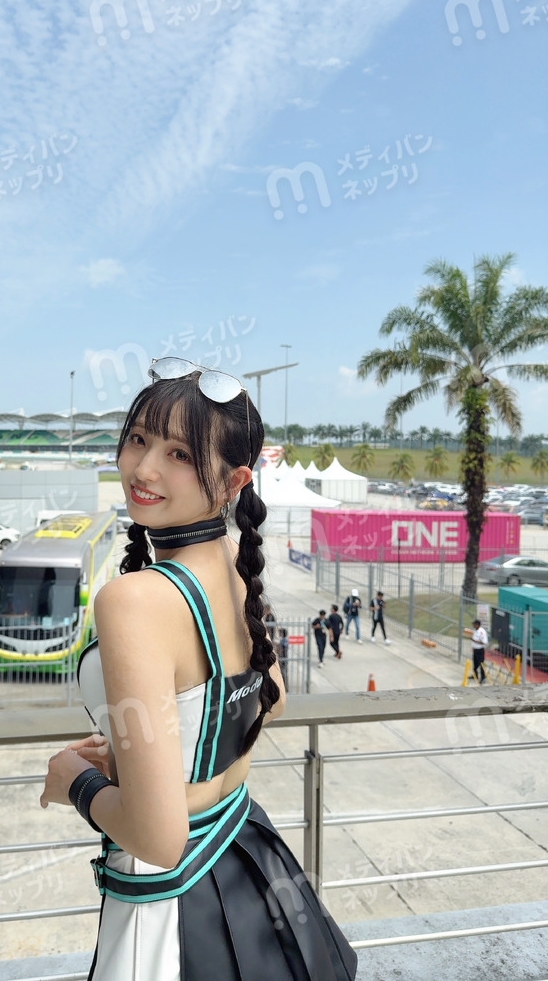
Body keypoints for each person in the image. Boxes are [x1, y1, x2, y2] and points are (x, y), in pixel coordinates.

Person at [39, 359, 357, 981]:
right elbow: (272, 696)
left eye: (179, 454)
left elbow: (158, 838)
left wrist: (73, 777)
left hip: (169, 905)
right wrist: (150, 752)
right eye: (138, 439)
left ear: (234, 479)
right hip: (246, 855)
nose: (144, 469)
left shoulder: (135, 600)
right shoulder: (233, 558)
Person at [471, 618, 488, 684]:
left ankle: (483, 678)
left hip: (480, 650)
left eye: (474, 624)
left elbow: (484, 642)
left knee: (481, 664)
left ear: (477, 625)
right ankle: (475, 675)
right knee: (475, 663)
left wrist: (475, 641)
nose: (473, 625)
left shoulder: (482, 632)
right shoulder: (475, 630)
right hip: (475, 649)